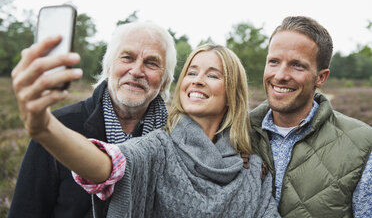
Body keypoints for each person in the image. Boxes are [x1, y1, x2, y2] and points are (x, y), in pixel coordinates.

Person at [13, 43, 280, 217]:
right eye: (192, 72)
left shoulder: (252, 168)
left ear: (232, 93)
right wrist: (45, 127)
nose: (197, 80)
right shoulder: (158, 147)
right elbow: (105, 165)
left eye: (212, 75)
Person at [9, 22, 177, 217]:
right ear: (108, 68)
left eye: (151, 63)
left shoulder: (175, 136)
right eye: (127, 58)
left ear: (164, 80)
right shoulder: (57, 126)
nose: (137, 71)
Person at [250, 16, 372, 218]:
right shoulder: (235, 132)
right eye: (273, 61)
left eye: (297, 65)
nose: (280, 75)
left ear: (321, 77)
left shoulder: (363, 145)